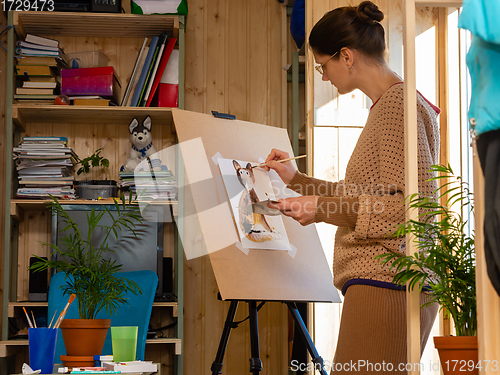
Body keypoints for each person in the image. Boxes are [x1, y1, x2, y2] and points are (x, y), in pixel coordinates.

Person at [265, 2, 440, 374]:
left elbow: (410, 211)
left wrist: (321, 210)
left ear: (346, 56)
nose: (323, 75)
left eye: (322, 64)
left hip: (388, 283)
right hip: (388, 283)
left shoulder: (396, 107)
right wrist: (295, 180)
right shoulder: (393, 104)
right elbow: (371, 198)